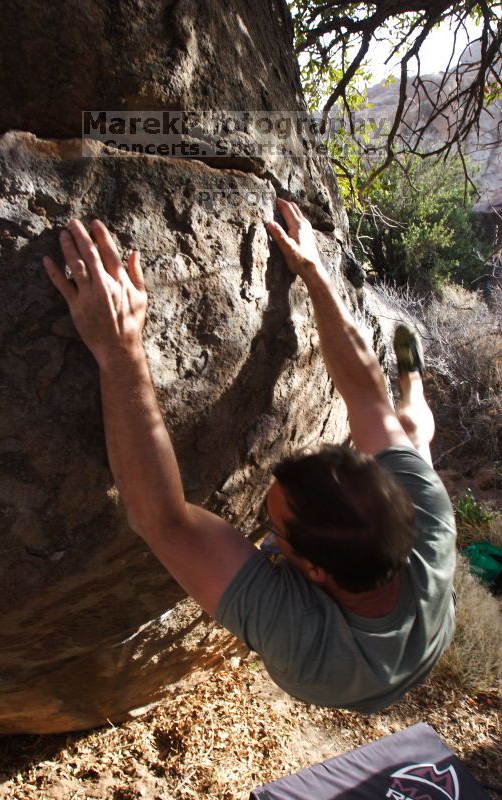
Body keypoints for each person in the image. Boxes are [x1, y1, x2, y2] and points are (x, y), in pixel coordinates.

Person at [42, 198, 456, 713]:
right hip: (423, 613)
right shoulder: (430, 518)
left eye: (274, 531)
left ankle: (413, 384)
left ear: (313, 573)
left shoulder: (304, 641)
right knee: (408, 428)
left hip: (363, 677)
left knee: (410, 436)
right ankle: (413, 376)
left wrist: (118, 350)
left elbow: (161, 519)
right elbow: (365, 398)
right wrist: (313, 270)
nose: (266, 528)